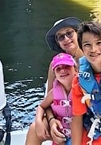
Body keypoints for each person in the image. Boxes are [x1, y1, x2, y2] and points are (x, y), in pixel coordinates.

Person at [25, 17, 84, 145]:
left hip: (84, 118)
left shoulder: (90, 57)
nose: (66, 39)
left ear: (77, 34)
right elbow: (49, 101)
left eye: (69, 33)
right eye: (61, 37)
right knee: (34, 129)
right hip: (61, 119)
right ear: (58, 43)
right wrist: (51, 121)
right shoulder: (55, 65)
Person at [33, 52, 77, 145]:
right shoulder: (54, 92)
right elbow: (41, 106)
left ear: (75, 70)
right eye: (58, 69)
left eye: (67, 66)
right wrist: (38, 122)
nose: (62, 70)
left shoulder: (82, 89)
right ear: (55, 75)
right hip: (60, 134)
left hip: (79, 134)